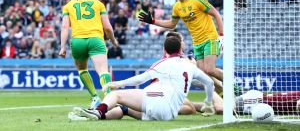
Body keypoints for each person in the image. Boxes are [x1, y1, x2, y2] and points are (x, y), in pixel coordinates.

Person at [69, 36, 215, 121]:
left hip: (157, 101)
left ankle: (98, 111)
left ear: (164, 49)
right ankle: (91, 117)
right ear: (180, 49)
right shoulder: (190, 65)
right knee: (124, 108)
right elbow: (209, 82)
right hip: (169, 114)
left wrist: (117, 84)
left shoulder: (162, 63)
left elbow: (139, 79)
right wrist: (208, 103)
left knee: (115, 95)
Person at [138, 0, 224, 91]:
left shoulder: (197, 0)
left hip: (210, 38)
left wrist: (222, 36)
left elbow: (216, 14)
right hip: (197, 43)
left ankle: (232, 83)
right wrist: (153, 21)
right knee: (204, 74)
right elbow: (172, 24)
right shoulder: (177, 7)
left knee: (210, 70)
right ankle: (223, 92)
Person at [59, 0, 118, 109]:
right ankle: (109, 100)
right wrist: (113, 41)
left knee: (82, 70)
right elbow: (107, 27)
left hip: (77, 41)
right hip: (96, 39)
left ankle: (95, 97)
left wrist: (63, 47)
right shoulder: (98, 4)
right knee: (103, 71)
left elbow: (64, 27)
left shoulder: (68, 6)